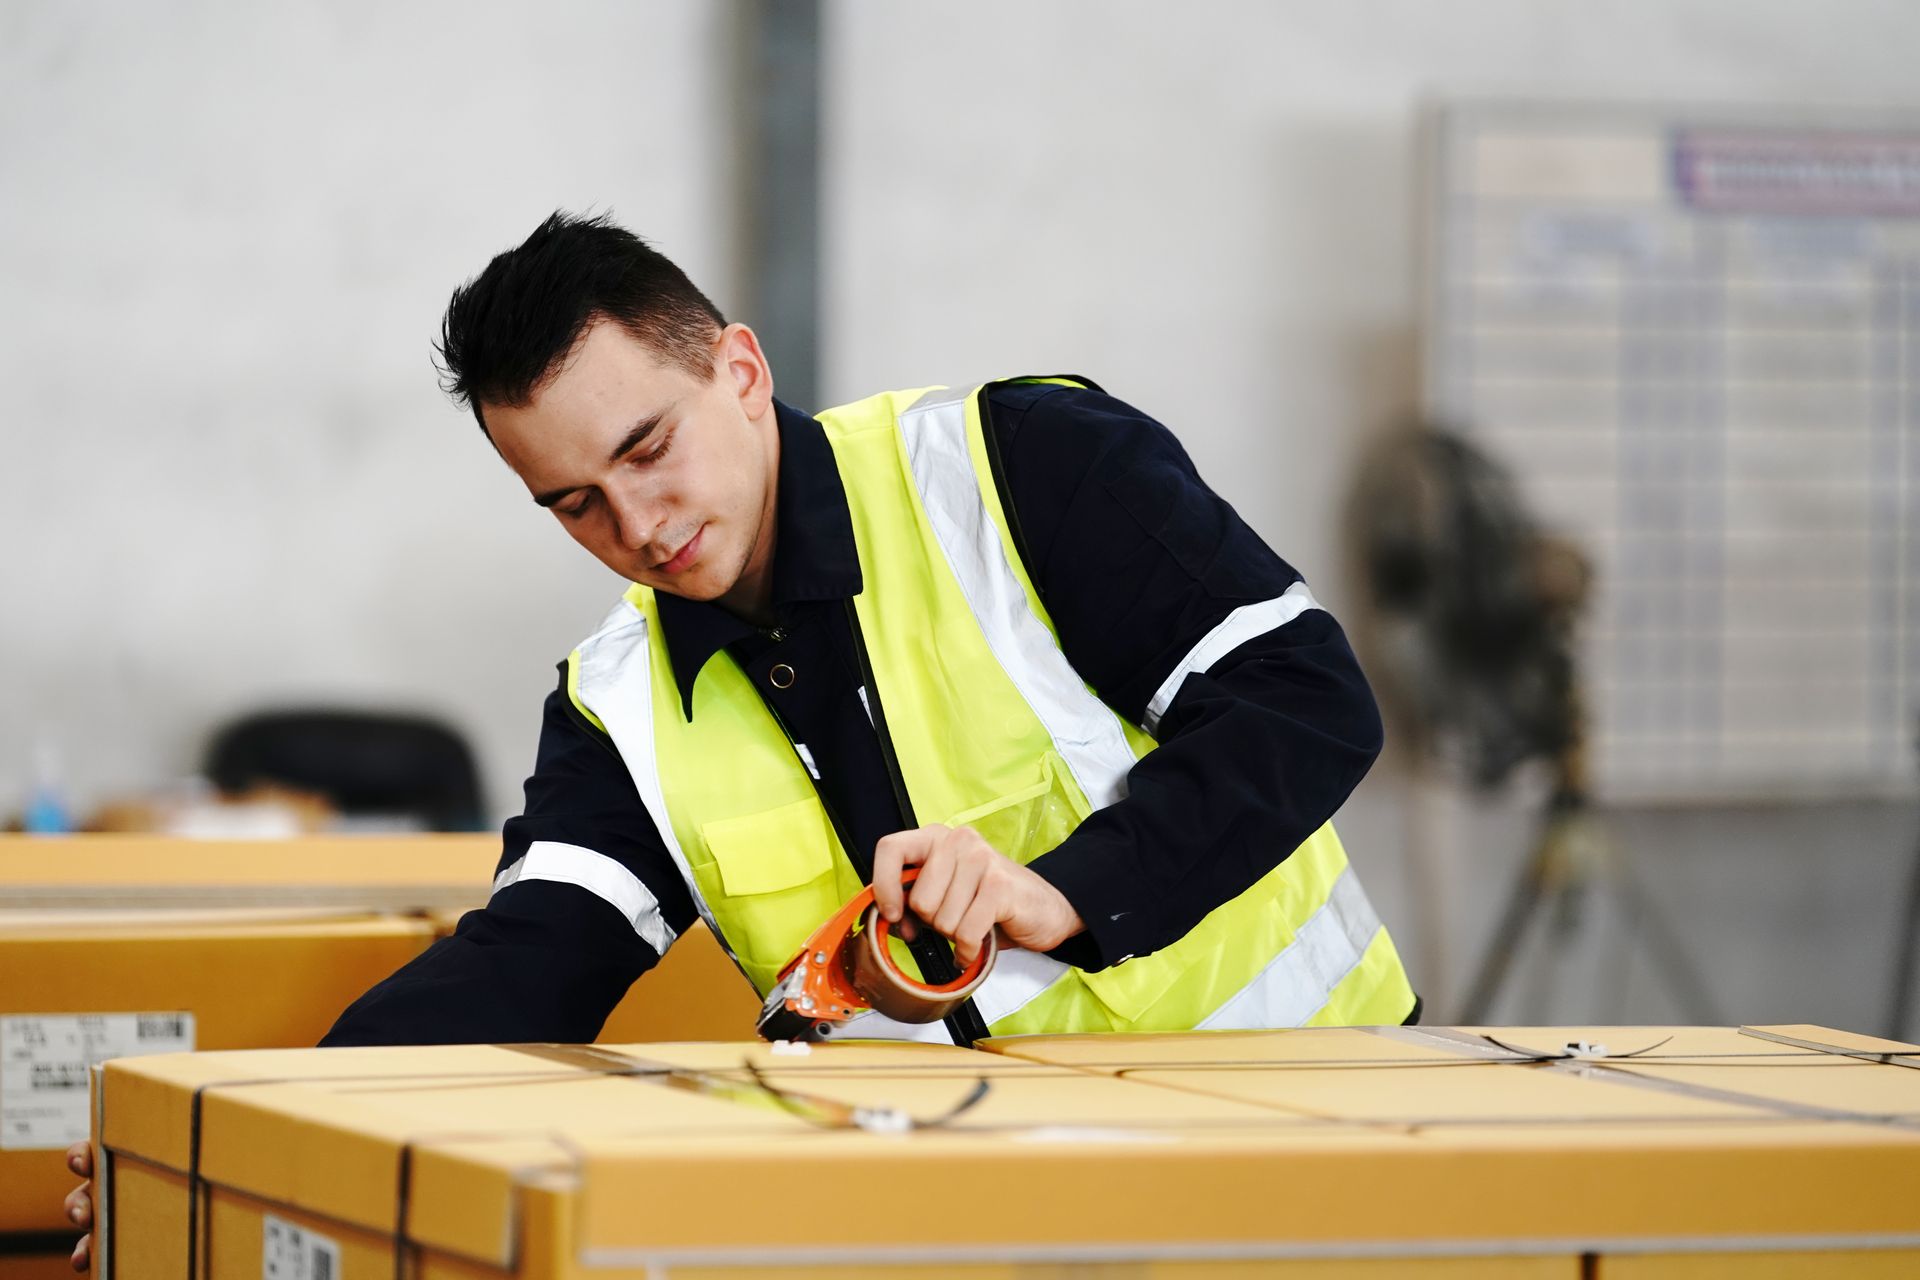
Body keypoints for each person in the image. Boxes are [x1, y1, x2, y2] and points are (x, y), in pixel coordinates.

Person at [63, 211, 1414, 1267]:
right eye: (576, 503)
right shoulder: (622, 704)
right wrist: (214, 1145)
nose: (640, 527)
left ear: (742, 370)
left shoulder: (1019, 470)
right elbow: (519, 975)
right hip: (978, 1225)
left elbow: (1304, 700)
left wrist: (1057, 893)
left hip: (1316, 1149)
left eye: (651, 448)